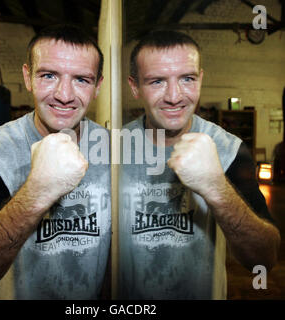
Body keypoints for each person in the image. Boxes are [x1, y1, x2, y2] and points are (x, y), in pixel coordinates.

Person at [0, 24, 111, 300]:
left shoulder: (111, 149)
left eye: (82, 79)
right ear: (28, 77)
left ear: (98, 87)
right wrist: (36, 192)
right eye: (48, 75)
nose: (64, 95)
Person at [119, 29, 281, 299]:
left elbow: (264, 260)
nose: (174, 96)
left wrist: (216, 187)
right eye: (157, 81)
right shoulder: (113, 148)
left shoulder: (228, 148)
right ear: (134, 86)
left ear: (201, 79)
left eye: (187, 79)